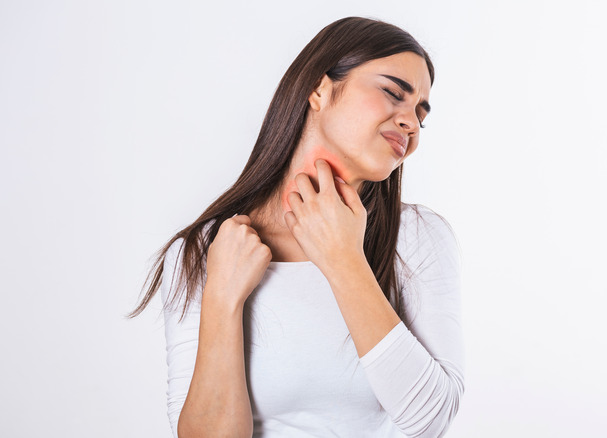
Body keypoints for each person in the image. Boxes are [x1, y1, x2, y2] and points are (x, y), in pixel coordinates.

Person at [130, 16, 464, 438]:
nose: (411, 123)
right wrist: (222, 299)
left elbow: (431, 420)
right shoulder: (207, 250)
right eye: (392, 93)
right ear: (319, 90)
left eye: (420, 113)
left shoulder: (418, 237)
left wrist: (344, 260)